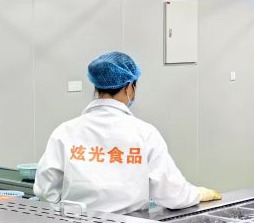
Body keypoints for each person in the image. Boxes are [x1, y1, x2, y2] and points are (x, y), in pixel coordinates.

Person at [34, 51, 221, 214]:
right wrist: (197, 194)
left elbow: (45, 190)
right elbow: (170, 193)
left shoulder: (65, 132)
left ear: (96, 86)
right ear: (129, 86)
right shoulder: (144, 133)